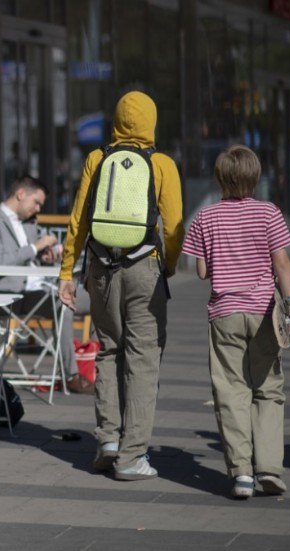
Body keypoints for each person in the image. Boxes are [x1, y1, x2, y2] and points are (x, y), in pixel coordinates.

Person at [58, 90, 185, 481]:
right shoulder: (162, 164)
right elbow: (174, 223)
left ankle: (108, 440)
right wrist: (170, 267)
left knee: (109, 350)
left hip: (100, 268)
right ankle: (132, 455)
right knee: (144, 358)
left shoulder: (97, 159)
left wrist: (66, 272)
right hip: (144, 268)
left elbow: (79, 219)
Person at [181, 145, 290, 498]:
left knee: (230, 391)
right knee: (268, 389)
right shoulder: (269, 212)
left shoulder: (205, 218)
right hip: (264, 312)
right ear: (255, 177)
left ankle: (241, 473)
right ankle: (270, 468)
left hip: (225, 313)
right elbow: (283, 265)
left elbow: (201, 272)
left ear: (220, 179)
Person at [0, 176, 95, 394]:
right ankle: (71, 375)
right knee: (65, 305)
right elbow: (0, 261)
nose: (37, 208)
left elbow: (30, 255)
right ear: (21, 194)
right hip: (14, 296)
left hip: (44, 290)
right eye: (36, 202)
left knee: (103, 298)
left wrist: (44, 256)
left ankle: (102, 366)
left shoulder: (29, 223)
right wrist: (35, 247)